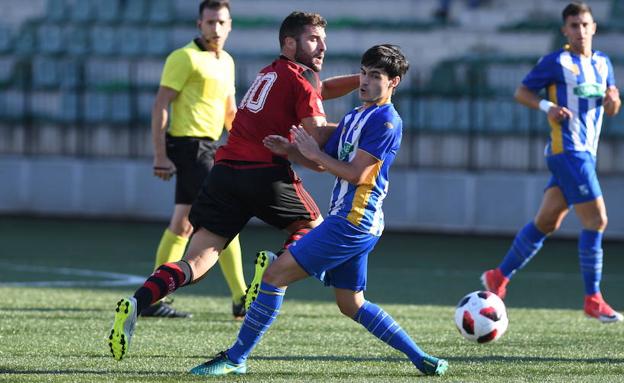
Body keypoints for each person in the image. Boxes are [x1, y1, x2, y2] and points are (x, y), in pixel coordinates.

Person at [107, 11, 360, 361]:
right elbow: (314, 138)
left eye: (323, 40)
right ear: (290, 42)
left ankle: (136, 303)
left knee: (196, 262)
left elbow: (323, 88)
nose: (322, 47)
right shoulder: (301, 81)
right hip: (264, 171)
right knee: (311, 228)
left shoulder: (270, 72)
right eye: (313, 39)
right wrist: (356, 132)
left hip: (223, 171)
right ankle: (272, 265)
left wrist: (361, 79)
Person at [188, 44, 449, 377]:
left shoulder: (386, 122)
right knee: (351, 304)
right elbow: (322, 157)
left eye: (376, 76)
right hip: (356, 224)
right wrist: (291, 151)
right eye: (364, 73)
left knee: (273, 276)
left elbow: (355, 173)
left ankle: (237, 357)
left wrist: (310, 150)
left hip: (352, 224)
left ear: (394, 82)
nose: (365, 82)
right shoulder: (357, 116)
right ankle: (420, 357)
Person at [481, 2, 622, 323]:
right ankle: (593, 298)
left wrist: (614, 102)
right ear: (565, 31)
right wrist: (547, 106)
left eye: (585, 25)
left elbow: (611, 108)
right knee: (597, 220)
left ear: (594, 27)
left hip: (586, 152)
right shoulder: (556, 62)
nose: (580, 31)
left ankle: (498, 277)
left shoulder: (603, 63)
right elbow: (522, 92)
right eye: (574, 26)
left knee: (547, 222)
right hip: (568, 151)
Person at [144, 0, 247, 320]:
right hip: (189, 147)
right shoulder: (183, 57)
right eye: (210, 22)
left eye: (221, 22)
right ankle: (241, 298)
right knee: (225, 216)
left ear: (230, 26)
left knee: (183, 223)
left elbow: (230, 111)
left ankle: (151, 297)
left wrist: (245, 144)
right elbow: (161, 105)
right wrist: (160, 155)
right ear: (198, 25)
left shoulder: (227, 61)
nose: (216, 28)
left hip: (211, 147)